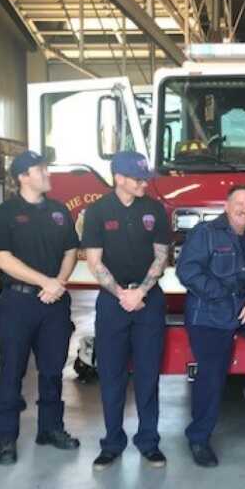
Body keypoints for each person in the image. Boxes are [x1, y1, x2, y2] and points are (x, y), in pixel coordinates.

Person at [176, 184, 245, 467]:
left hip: (243, 310)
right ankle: (199, 438)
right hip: (209, 314)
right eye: (239, 203)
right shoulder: (205, 233)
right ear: (226, 206)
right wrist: (227, 298)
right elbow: (187, 271)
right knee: (212, 374)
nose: (244, 209)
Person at [0, 150, 80, 466]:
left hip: (54, 303)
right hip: (18, 302)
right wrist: (45, 282)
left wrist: (58, 283)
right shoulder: (4, 213)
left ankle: (51, 429)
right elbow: (3, 259)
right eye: (41, 169)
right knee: (12, 369)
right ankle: (6, 438)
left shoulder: (59, 211)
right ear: (23, 176)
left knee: (53, 370)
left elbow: (71, 251)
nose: (47, 173)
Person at [82, 151, 170, 470]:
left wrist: (141, 291)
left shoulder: (155, 209)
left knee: (148, 374)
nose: (144, 182)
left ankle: (148, 442)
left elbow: (161, 257)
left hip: (148, 301)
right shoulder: (97, 211)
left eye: (145, 176)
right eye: (138, 178)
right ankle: (112, 442)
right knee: (111, 374)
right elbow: (94, 261)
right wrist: (121, 293)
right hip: (112, 301)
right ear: (119, 177)